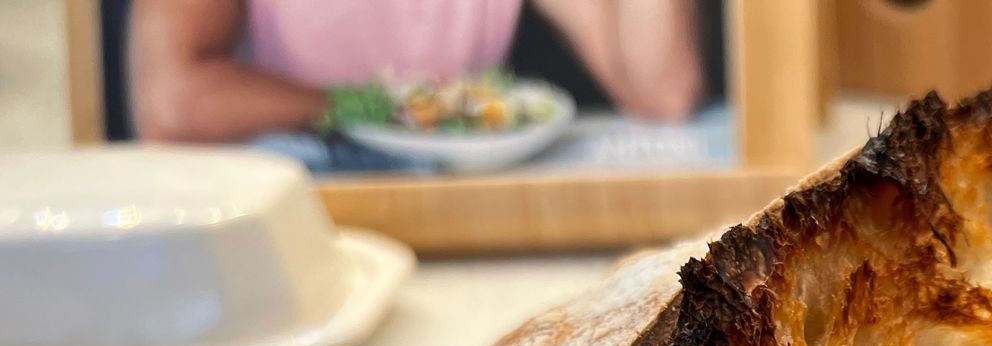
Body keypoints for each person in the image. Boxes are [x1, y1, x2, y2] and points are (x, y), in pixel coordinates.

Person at [130, 0, 705, 165]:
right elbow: (173, 99)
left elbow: (660, 91)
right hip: (292, 208)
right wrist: (365, 107)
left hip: (456, 218)